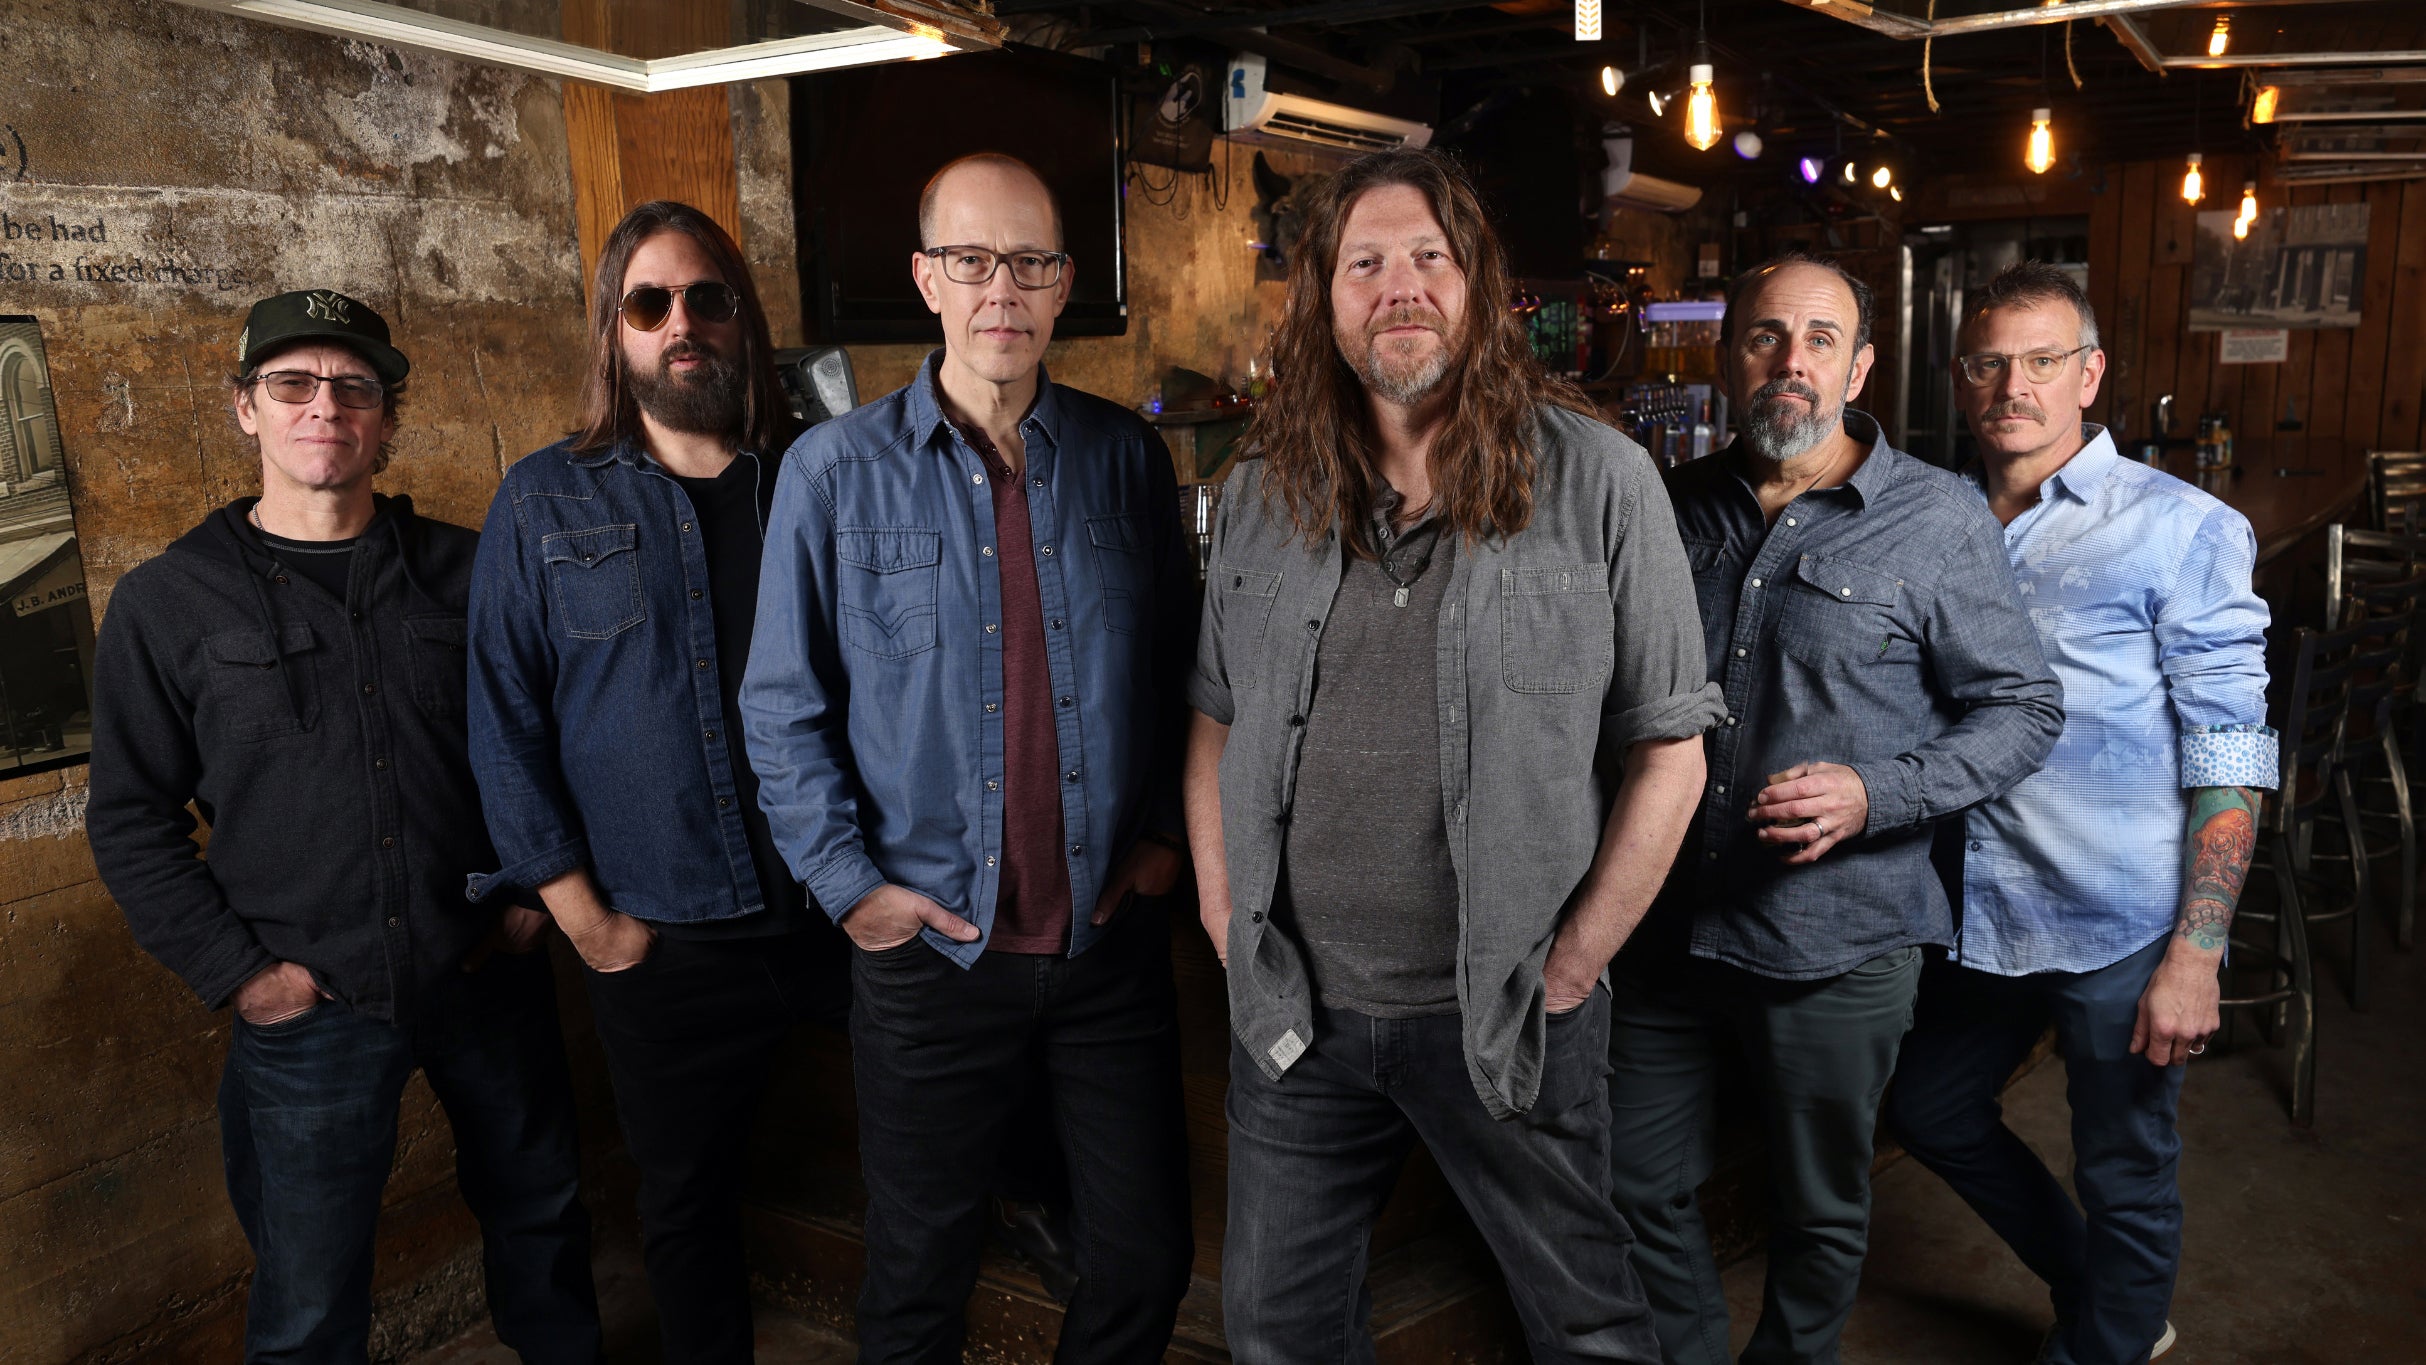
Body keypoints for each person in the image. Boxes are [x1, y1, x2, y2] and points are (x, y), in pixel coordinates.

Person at [1186, 146, 1718, 1364]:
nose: (1400, 286)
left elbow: (1670, 752)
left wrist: (1572, 965)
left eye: (1427, 256)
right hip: (1295, 1017)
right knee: (1275, 1333)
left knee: (1588, 1329)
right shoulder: (1263, 489)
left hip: (1509, 1012)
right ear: (1322, 300)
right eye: (1364, 263)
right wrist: (1224, 916)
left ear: (1475, 284)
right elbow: (1212, 718)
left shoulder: (1599, 480)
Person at [740, 153, 1196, 1364]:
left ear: (1063, 285)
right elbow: (780, 706)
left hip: (1102, 947)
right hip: (930, 952)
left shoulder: (1124, 458)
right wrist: (850, 888)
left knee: (1142, 1257)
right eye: (971, 260)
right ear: (925, 279)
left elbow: (1182, 671)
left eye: (1030, 263)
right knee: (916, 1278)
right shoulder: (832, 473)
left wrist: (1161, 837)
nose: (1003, 288)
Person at [88, 290, 600, 1363]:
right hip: (309, 1007)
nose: (324, 406)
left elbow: (569, 734)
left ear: (387, 417)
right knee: (311, 1295)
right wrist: (244, 976)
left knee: (544, 1220)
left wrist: (532, 891)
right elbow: (131, 819)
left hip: (484, 974)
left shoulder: (474, 570)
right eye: (293, 384)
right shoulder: (168, 602)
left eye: (354, 387)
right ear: (245, 408)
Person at [1614, 251, 2065, 1365]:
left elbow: (2022, 708)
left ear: (1859, 367)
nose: (1791, 362)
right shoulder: (1668, 506)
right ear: (1727, 358)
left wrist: (1876, 793)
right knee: (1631, 1180)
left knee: (1816, 1207)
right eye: (1765, 336)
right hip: (1661, 924)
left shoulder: (1936, 518)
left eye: (1820, 340)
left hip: (1837, 938)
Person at [463, 201, 844, 1363]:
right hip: (661, 936)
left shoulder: (817, 478)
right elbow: (502, 720)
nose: (682, 323)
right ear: (614, 332)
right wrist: (587, 922)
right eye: (649, 303)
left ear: (741, 319)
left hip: (835, 909)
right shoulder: (542, 500)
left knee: (929, 1162)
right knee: (685, 1206)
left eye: (706, 298)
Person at [1884, 262, 2273, 1365]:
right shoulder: (1932, 517)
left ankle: (2109, 1339)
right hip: (1976, 913)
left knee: (2123, 1167)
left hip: (2120, 918)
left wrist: (2196, 951)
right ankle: (2105, 1292)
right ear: (1960, 377)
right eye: (1988, 362)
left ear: (2089, 374)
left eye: (2042, 360)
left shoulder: (2181, 527)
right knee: (1926, 1107)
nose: (2013, 385)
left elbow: (2230, 751)